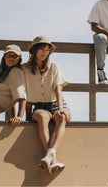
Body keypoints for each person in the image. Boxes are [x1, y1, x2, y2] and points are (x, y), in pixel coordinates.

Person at [23, 36, 71, 174]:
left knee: (62, 118)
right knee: (42, 118)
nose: (45, 52)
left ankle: (49, 155)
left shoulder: (54, 66)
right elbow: (26, 92)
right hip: (39, 106)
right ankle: (53, 159)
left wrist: (61, 108)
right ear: (34, 50)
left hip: (56, 103)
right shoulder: (25, 69)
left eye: (47, 50)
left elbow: (58, 88)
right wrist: (27, 115)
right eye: (42, 49)